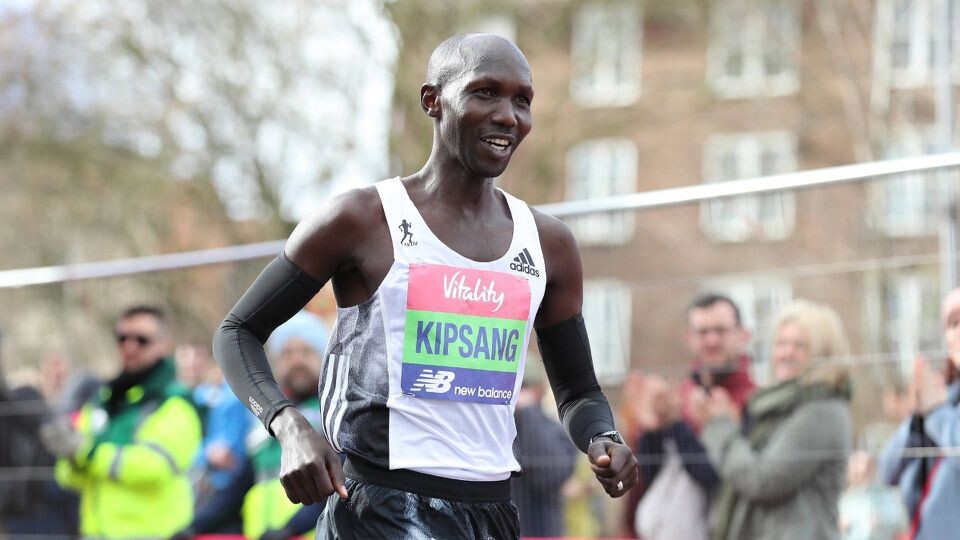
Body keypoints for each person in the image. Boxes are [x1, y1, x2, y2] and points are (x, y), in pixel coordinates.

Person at [214, 33, 637, 539]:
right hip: (379, 508)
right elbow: (237, 331)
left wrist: (602, 436)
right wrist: (287, 424)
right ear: (432, 100)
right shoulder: (363, 219)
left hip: (491, 511)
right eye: (485, 92)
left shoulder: (549, 243)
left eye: (522, 101)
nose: (508, 116)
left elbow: (579, 392)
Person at [41, 305, 202, 538]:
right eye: (122, 338)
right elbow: (66, 476)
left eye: (142, 340)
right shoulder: (103, 400)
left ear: (164, 345)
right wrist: (73, 455)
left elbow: (154, 466)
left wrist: (85, 453)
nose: (130, 346)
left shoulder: (176, 403)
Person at [700, 299, 853, 540]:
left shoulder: (822, 411)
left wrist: (720, 426)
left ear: (823, 353)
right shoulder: (777, 405)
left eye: (800, 345)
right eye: (781, 343)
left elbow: (763, 480)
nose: (786, 353)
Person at [627, 293, 756, 539]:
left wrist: (677, 425)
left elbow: (721, 483)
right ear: (688, 338)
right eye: (703, 332)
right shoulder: (680, 394)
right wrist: (651, 430)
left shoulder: (753, 401)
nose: (711, 340)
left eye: (720, 330)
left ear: (742, 334)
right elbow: (651, 481)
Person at [879, 287, 960, 540]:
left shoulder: (939, 406)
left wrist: (935, 411)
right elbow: (887, 470)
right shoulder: (944, 395)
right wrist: (917, 420)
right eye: (954, 323)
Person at [240, 310, 330, 540]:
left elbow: (333, 486)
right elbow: (238, 484)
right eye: (288, 353)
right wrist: (194, 525)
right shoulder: (263, 418)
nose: (297, 361)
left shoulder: (332, 414)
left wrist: (290, 529)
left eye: (306, 352)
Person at [175, 344, 256, 537]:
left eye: (196, 359)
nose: (191, 366)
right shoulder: (182, 399)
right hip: (196, 483)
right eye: (185, 360)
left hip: (227, 485)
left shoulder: (231, 396)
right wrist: (206, 453)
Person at [511, 361, 577, 538]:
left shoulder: (555, 431)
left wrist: (529, 412)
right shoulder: (496, 431)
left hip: (542, 532)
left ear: (539, 390)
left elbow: (548, 476)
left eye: (524, 387)